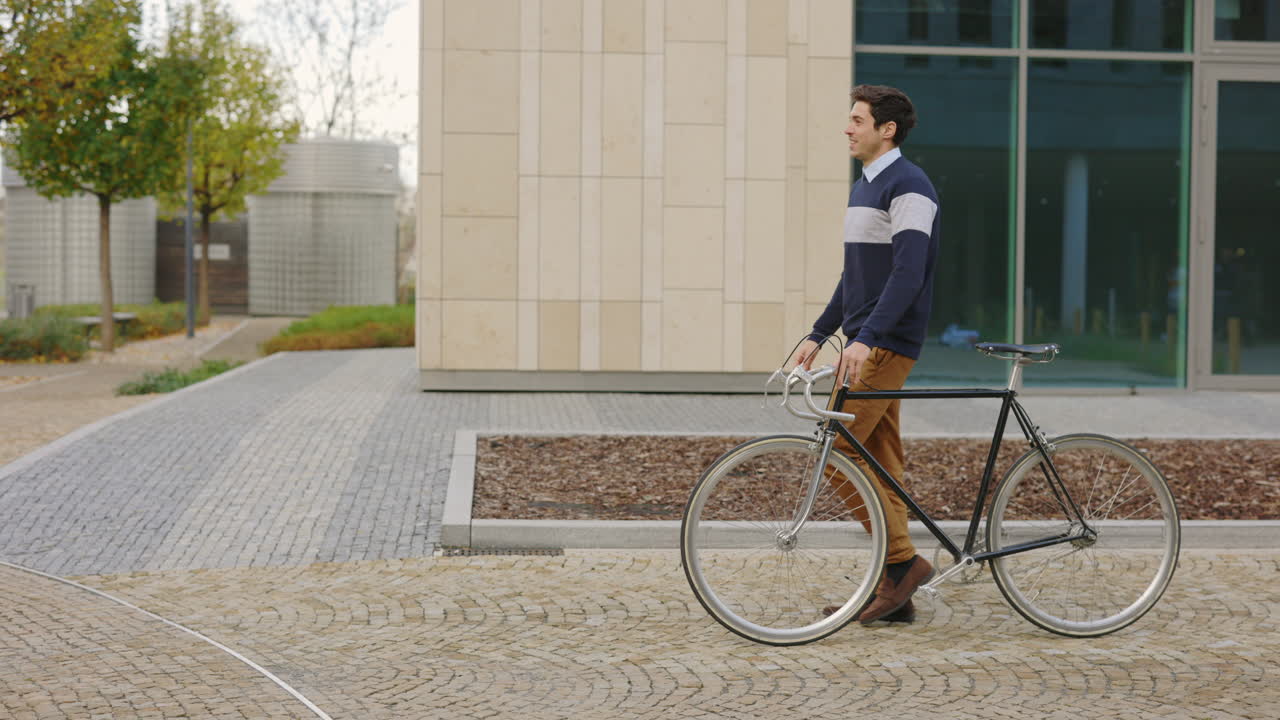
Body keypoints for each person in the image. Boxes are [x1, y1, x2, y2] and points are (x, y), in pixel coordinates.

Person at [788, 84, 940, 625]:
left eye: (857, 119)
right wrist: (819, 330)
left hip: (882, 346)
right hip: (865, 342)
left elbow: (908, 273)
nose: (847, 128)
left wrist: (867, 336)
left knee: (838, 455)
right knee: (882, 464)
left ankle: (901, 564)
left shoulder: (910, 186)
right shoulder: (865, 187)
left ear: (886, 129)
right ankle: (896, 591)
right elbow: (856, 277)